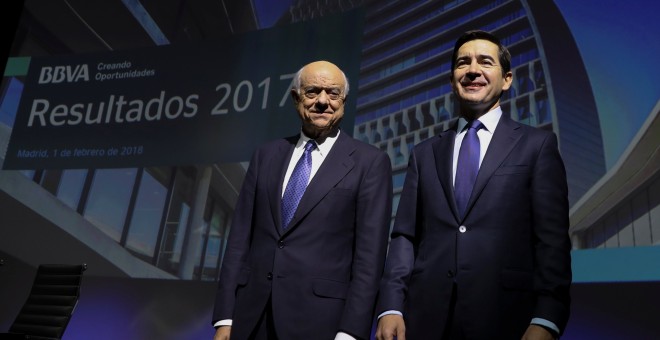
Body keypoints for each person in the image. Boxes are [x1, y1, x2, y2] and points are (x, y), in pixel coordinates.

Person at [375, 30, 572, 340]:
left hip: (508, 318)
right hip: (425, 319)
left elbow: (551, 241)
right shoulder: (424, 153)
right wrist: (391, 307)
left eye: (485, 62)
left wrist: (547, 318)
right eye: (463, 63)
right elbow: (405, 237)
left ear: (507, 79)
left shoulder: (538, 146)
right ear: (453, 79)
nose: (472, 70)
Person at [211, 60, 393, 340]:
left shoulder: (371, 163)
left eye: (332, 93)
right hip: (251, 320)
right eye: (312, 92)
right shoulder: (265, 156)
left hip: (322, 324)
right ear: (296, 98)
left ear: (344, 101)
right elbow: (239, 240)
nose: (323, 101)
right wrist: (225, 316)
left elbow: (369, 259)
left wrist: (351, 332)